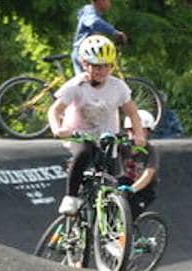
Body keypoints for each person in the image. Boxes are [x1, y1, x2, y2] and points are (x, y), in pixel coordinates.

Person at [47, 35, 147, 216]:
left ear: (111, 66)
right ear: (85, 64)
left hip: (107, 136)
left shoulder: (118, 87)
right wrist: (57, 129)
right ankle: (71, 197)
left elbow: (132, 112)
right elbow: (54, 111)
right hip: (80, 135)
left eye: (105, 66)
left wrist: (139, 135)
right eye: (95, 65)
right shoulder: (76, 86)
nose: (100, 70)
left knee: (110, 179)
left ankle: (108, 229)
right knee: (85, 151)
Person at [70, 0, 127, 76]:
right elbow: (94, 22)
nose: (110, 4)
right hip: (83, 53)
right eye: (109, 1)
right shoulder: (89, 13)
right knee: (87, 84)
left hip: (90, 52)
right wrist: (114, 32)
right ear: (101, 0)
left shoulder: (93, 13)